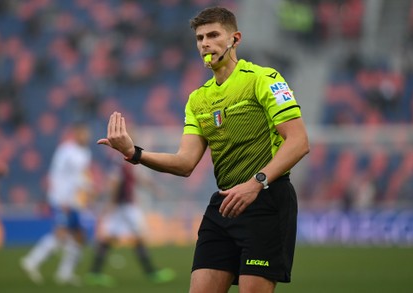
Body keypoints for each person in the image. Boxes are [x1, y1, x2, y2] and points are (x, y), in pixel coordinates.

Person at [97, 6, 310, 293]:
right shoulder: (198, 100)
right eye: (199, 38)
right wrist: (135, 153)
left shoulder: (264, 79)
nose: (205, 44)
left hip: (267, 200)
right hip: (224, 204)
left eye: (213, 35)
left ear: (235, 38)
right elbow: (185, 163)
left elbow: (298, 141)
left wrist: (256, 183)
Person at [20, 122, 94, 286]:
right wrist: (62, 200)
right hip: (62, 199)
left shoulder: (86, 153)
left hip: (74, 200)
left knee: (80, 237)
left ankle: (64, 273)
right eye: (83, 133)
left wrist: (88, 190)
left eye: (87, 133)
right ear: (76, 134)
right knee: (61, 233)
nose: (86, 136)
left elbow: (80, 177)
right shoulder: (65, 150)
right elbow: (55, 175)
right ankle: (31, 261)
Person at [85, 157, 175, 287]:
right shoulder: (120, 163)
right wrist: (111, 204)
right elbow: (115, 183)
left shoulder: (126, 162)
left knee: (111, 238)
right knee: (138, 237)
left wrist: (155, 189)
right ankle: (151, 272)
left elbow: (137, 179)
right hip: (124, 207)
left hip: (123, 207)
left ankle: (94, 273)